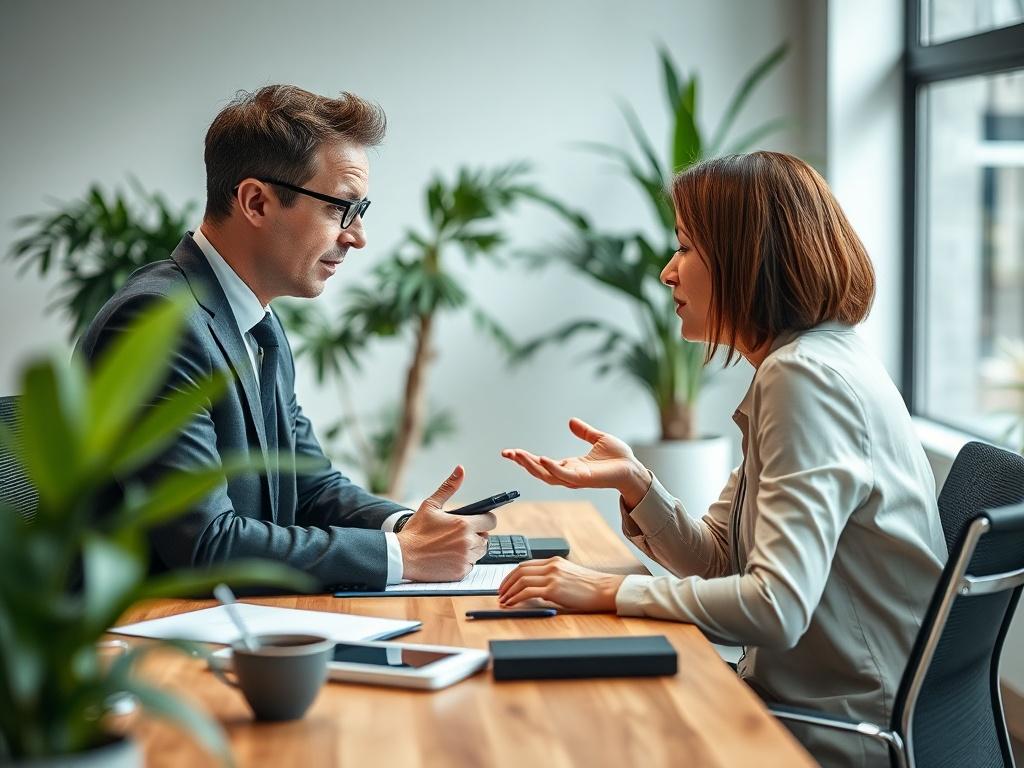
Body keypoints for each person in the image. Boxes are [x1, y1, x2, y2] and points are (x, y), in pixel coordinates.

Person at [498, 151, 947, 767]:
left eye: (684, 248)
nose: (666, 274)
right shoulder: (816, 359)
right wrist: (638, 484)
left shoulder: (803, 378)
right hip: (826, 705)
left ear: (746, 257)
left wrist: (608, 592)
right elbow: (720, 561)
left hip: (832, 731)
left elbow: (774, 608)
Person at [77, 85, 494, 591]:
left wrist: (408, 528)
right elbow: (206, 543)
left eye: (362, 210)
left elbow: (309, 484)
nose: (357, 235)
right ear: (256, 201)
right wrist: (401, 558)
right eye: (341, 207)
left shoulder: (256, 321)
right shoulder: (159, 321)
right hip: (148, 640)